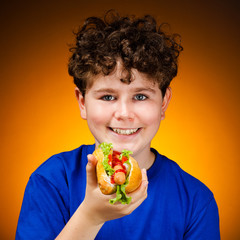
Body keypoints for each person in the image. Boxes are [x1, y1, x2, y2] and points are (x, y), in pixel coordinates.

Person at [16, 10, 220, 239]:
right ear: (82, 103)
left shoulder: (196, 199)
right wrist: (90, 217)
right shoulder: (52, 181)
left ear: (164, 103)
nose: (124, 113)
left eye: (141, 96)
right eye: (108, 97)